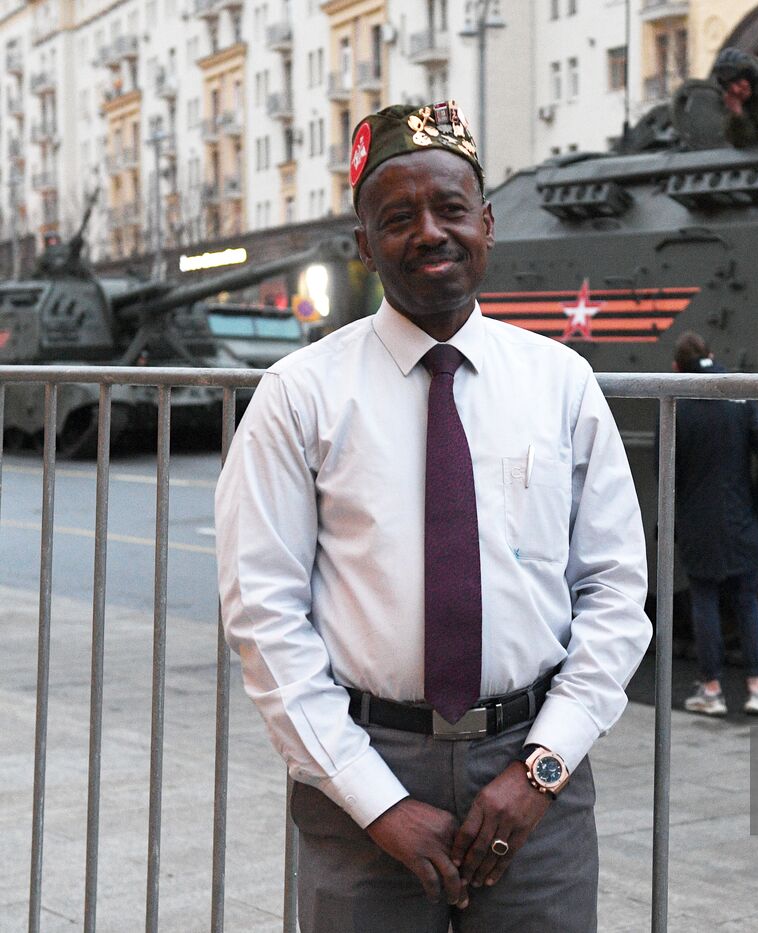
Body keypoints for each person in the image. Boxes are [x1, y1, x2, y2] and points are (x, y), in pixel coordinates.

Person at [215, 100, 651, 932]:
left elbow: (615, 592)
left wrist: (540, 769)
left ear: (487, 223)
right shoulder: (298, 397)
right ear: (363, 244)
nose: (429, 233)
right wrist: (376, 802)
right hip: (360, 766)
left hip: (534, 771)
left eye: (451, 208)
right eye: (397, 217)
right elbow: (264, 616)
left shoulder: (561, 385)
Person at [666, 331, 758, 717]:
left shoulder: (675, 405)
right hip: (740, 518)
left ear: (676, 368)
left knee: (704, 602)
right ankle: (757, 686)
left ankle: (711, 690)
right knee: (748, 602)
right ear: (713, 355)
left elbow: (664, 470)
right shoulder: (740, 397)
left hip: (696, 524)